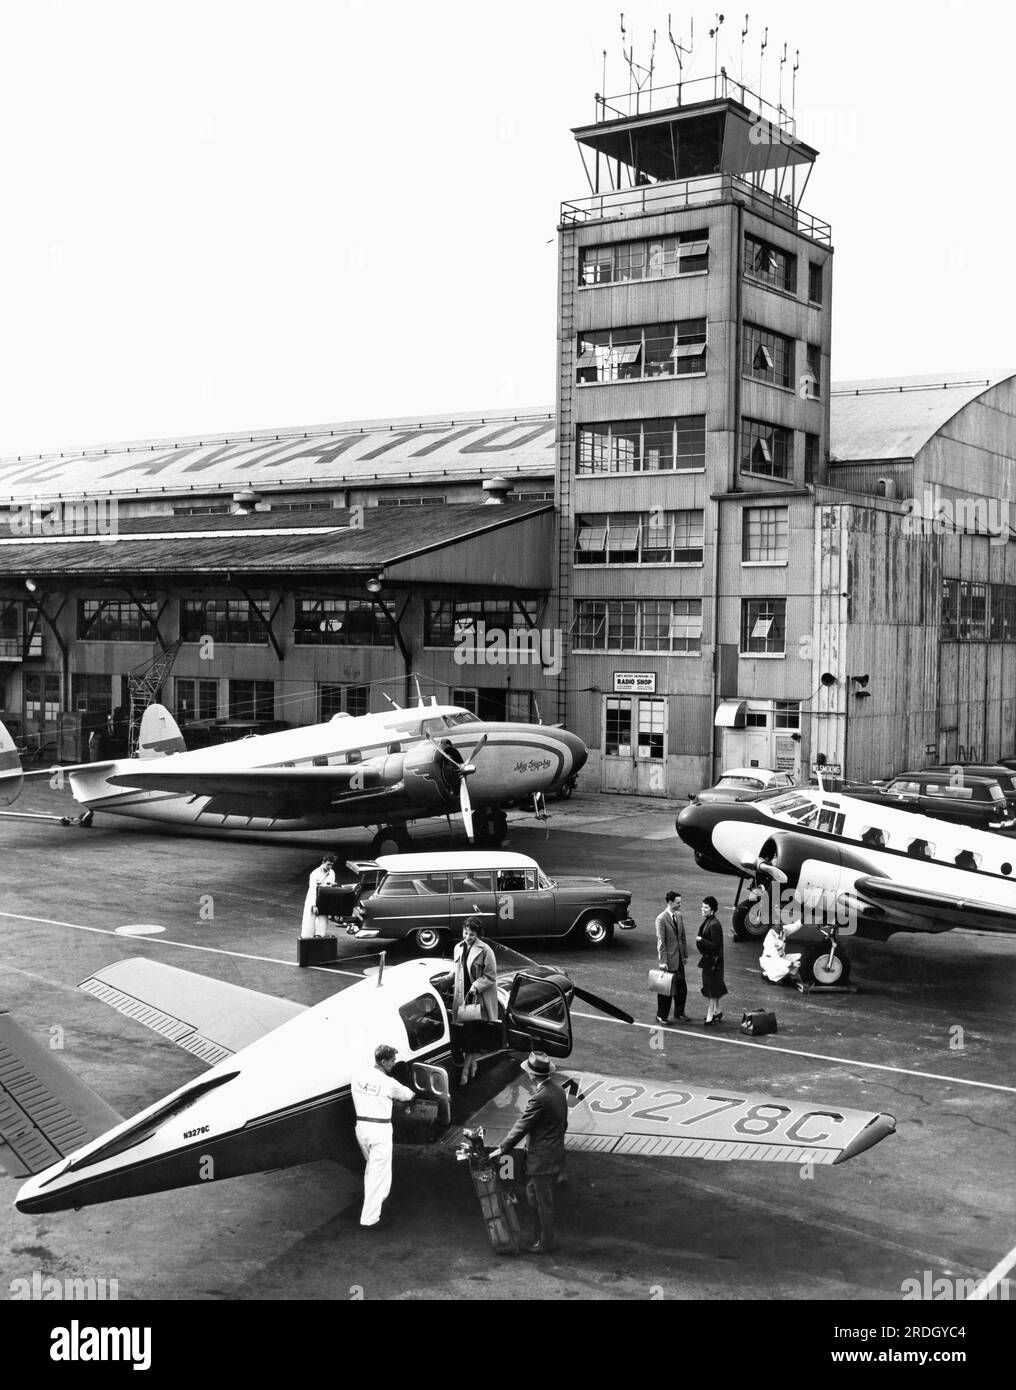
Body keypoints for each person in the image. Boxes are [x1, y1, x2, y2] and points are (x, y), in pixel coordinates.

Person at [490, 1051, 567, 1255]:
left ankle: (546, 1242)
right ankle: (539, 1237)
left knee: (543, 1203)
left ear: (532, 1075)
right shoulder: (558, 1091)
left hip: (541, 1159)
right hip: (553, 1155)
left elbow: (521, 1126)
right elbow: (563, 1124)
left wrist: (502, 1148)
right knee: (535, 1197)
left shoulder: (539, 1098)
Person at [351, 1043, 415, 1230]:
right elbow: (408, 1095)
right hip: (380, 1131)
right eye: (392, 1061)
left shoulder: (358, 1076)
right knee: (378, 1175)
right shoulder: (389, 1083)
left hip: (361, 1128)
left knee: (372, 1170)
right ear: (383, 1061)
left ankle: (379, 1201)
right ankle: (370, 1219)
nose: (394, 1064)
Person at [452, 917, 498, 1084]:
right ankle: (474, 1063)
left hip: (477, 999)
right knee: (465, 1037)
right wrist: (443, 981)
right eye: (465, 933)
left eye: (471, 934)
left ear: (478, 934)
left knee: (471, 1036)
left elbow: (491, 976)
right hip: (462, 998)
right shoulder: (458, 948)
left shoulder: (486, 950)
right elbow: (455, 972)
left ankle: (465, 1070)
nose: (467, 937)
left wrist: (476, 986)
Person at [654, 889, 689, 1024]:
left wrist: (684, 955)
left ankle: (679, 1013)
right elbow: (661, 942)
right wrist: (663, 962)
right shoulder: (661, 919)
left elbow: (683, 937)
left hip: (679, 959)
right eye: (678, 902)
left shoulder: (679, 916)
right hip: (668, 961)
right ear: (670, 902)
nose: (680, 905)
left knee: (682, 989)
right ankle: (661, 1015)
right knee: (666, 989)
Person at [697, 895, 727, 1026]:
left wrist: (701, 940)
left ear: (712, 910)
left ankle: (711, 1013)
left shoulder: (714, 924)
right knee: (713, 988)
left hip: (713, 963)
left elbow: (715, 945)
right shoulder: (710, 921)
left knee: (711, 988)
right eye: (703, 906)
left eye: (706, 907)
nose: (703, 909)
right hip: (712, 962)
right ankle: (717, 1011)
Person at [300, 853, 337, 939]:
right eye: (328, 864)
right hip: (313, 898)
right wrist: (313, 905)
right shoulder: (314, 874)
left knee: (322, 920)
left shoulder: (332, 873)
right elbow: (312, 889)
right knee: (309, 921)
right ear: (323, 862)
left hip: (324, 899)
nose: (330, 867)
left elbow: (330, 888)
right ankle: (307, 939)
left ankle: (319, 937)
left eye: (331, 865)